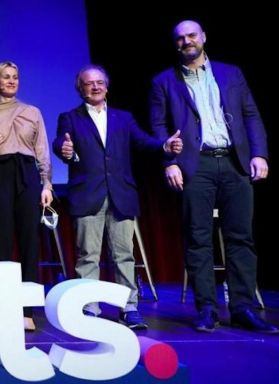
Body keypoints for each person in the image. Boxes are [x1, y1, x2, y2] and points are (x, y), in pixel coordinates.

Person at [150, 20, 279, 334]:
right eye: (180, 38)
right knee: (198, 239)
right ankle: (206, 308)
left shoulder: (231, 73)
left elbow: (250, 113)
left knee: (241, 238)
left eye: (191, 35)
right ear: (175, 44)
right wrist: (169, 160)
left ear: (204, 37)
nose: (186, 41)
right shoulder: (164, 81)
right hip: (196, 165)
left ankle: (243, 307)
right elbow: (158, 126)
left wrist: (259, 153)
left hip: (235, 162)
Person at [53, 64, 183, 330]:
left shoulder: (124, 118)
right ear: (80, 88)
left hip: (121, 194)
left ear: (107, 86)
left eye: (100, 82)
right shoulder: (70, 118)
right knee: (87, 255)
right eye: (89, 83)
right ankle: (89, 307)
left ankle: (129, 307)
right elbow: (60, 143)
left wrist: (164, 145)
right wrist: (63, 149)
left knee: (124, 255)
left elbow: (143, 141)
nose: (96, 86)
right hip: (88, 194)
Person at [0, 61, 53, 331]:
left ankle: (26, 310)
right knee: (1, 242)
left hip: (27, 173)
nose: (11, 81)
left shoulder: (32, 111)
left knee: (30, 241)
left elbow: (42, 151)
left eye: (15, 77)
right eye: (5, 77)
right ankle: (3, 308)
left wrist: (47, 185)